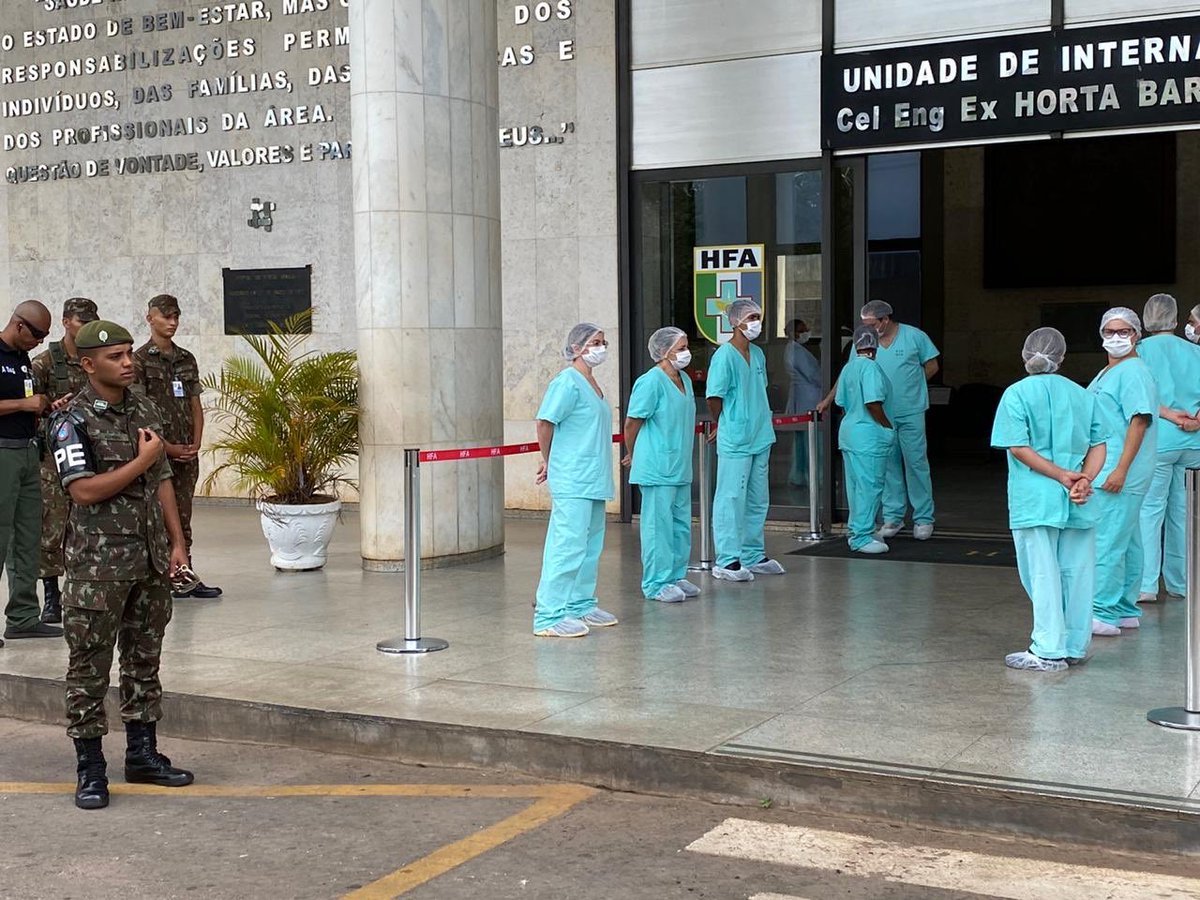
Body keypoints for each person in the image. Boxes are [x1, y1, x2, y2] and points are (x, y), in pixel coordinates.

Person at [50, 320, 195, 810]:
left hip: (149, 559)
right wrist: (141, 460)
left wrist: (177, 543)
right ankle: (91, 768)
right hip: (98, 568)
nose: (129, 362)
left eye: (130, 352)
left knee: (143, 661)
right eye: (116, 356)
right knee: (89, 668)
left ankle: (142, 754)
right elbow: (83, 491)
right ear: (88, 365)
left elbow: (162, 479)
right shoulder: (71, 420)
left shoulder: (144, 408)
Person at [991, 328, 1107, 672]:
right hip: (1078, 498)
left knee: (1042, 574)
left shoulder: (1016, 394)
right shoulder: (1083, 395)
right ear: (1062, 357)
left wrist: (1060, 476)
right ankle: (1074, 645)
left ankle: (1048, 648)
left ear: (1025, 355)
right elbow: (1099, 444)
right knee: (1078, 574)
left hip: (1035, 497)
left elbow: (1018, 446)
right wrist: (1084, 479)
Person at [821, 300, 939, 540]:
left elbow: (932, 365)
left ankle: (924, 517)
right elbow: (849, 373)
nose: (869, 330)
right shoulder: (865, 343)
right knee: (887, 465)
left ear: (886, 319)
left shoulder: (914, 336)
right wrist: (828, 400)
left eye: (873, 324)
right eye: (865, 325)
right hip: (880, 414)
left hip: (910, 410)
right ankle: (893, 516)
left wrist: (914, 386)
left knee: (916, 463)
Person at [532, 324, 620, 637]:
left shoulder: (591, 383)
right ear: (577, 347)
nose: (601, 347)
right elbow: (545, 422)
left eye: (603, 342)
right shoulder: (567, 382)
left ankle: (580, 604)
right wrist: (550, 460)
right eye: (595, 342)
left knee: (590, 546)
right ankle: (548, 615)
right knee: (566, 546)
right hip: (573, 477)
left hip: (593, 477)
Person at [133, 294, 221, 599]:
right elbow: (139, 411)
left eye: (176, 317)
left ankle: (184, 573)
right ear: (150, 318)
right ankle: (165, 576)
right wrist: (167, 447)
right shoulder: (139, 361)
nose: (172, 323)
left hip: (186, 452)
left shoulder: (186, 359)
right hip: (158, 453)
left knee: (183, 516)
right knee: (160, 517)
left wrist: (197, 441)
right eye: (166, 316)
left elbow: (195, 403)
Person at [1085, 308, 1157, 637]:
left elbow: (1138, 421)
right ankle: (1125, 609)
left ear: (1137, 334)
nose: (1116, 337)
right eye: (1109, 331)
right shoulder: (1112, 371)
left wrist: (1120, 469)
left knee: (1107, 542)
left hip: (1118, 471)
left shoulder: (1132, 371)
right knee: (1127, 541)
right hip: (1117, 468)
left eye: (1124, 331)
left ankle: (1101, 611)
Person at [30, 297, 99, 624]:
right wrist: (49, 410)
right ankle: (51, 595)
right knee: (52, 528)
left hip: (89, 455)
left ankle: (82, 587)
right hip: (53, 459)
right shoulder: (44, 363)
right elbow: (29, 412)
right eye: (81, 321)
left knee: (87, 525)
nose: (85, 327)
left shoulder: (94, 361)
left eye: (90, 322)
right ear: (66, 322)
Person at [706, 298, 785, 582]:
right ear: (735, 322)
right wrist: (725, 423)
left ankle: (753, 553)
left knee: (757, 498)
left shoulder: (758, 354)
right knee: (730, 498)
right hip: (736, 437)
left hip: (760, 435)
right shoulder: (724, 356)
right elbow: (714, 397)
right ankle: (727, 559)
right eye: (750, 318)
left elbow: (758, 390)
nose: (756, 323)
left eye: (757, 317)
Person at [0, 300, 65, 645]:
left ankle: (23, 616)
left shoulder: (22, 359)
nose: (39, 342)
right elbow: (20, 403)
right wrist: (24, 404)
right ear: (19, 325)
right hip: (2, 453)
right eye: (37, 334)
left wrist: (45, 407)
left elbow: (27, 403)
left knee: (28, 537)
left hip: (28, 452)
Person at [623, 327, 698, 603]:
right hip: (656, 467)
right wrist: (633, 453)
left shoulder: (685, 380)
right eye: (681, 348)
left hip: (679, 466)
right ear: (664, 352)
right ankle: (656, 583)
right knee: (658, 528)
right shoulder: (650, 382)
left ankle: (675, 575)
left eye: (686, 347)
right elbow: (632, 423)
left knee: (680, 526)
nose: (686, 353)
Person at [1136, 293, 1200, 603]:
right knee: (1184, 514)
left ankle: (1146, 584)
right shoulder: (1195, 351)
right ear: (1174, 318)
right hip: (1193, 443)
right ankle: (1182, 582)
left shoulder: (1139, 351)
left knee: (1150, 511)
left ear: (1146, 318)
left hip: (1158, 442)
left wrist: (1168, 415)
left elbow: (1138, 395)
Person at [835, 326, 896, 554]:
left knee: (855, 487)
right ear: (875, 345)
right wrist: (887, 427)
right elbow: (872, 403)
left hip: (850, 434)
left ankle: (859, 530)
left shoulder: (849, 368)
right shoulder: (870, 368)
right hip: (869, 436)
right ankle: (861, 537)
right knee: (870, 487)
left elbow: (842, 402)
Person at [784, 319, 822, 487]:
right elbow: (813, 374)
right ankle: (816, 477)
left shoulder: (793, 349)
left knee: (802, 441)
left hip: (803, 396)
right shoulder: (797, 351)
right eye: (803, 330)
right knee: (812, 441)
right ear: (794, 333)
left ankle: (799, 476)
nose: (807, 332)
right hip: (808, 397)